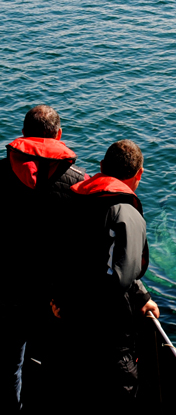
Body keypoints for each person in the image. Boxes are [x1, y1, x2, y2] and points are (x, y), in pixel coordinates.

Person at [53, 139, 159, 412]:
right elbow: (122, 275)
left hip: (68, 317)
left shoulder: (75, 198)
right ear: (140, 174)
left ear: (101, 167)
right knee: (119, 390)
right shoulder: (125, 212)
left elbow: (68, 255)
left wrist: (62, 298)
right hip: (108, 330)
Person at [0, 105, 87, 412]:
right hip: (56, 294)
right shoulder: (79, 182)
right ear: (59, 135)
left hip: (8, 289)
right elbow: (86, 247)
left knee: (10, 363)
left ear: (23, 135)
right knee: (56, 360)